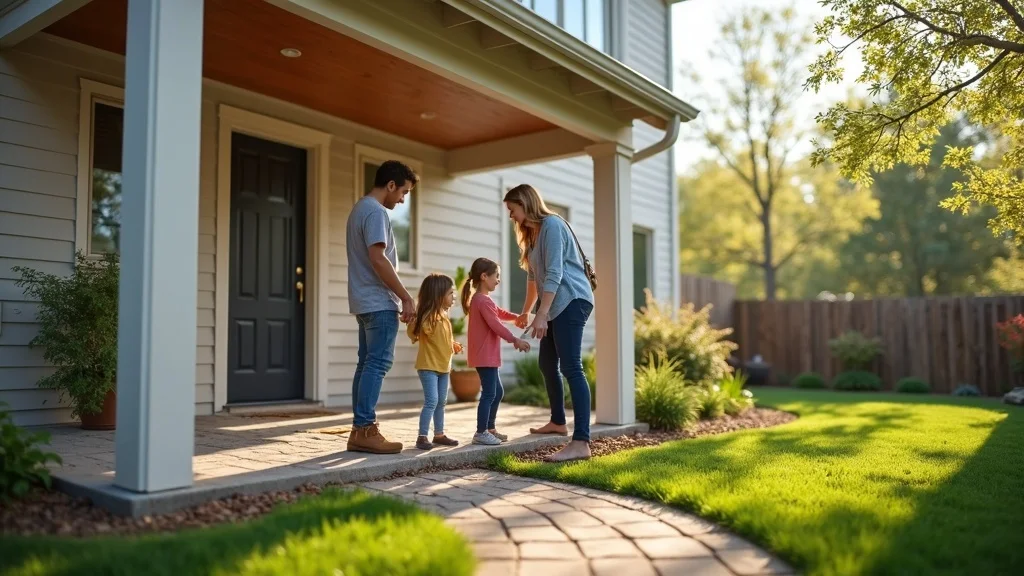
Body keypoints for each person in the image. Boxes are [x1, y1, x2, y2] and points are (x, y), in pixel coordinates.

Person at [504, 184, 595, 463]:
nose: (511, 216)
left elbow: (555, 272)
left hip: (572, 300)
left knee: (571, 367)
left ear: (526, 204)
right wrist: (527, 312)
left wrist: (542, 315)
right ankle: (558, 421)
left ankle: (581, 442)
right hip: (554, 304)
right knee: (546, 364)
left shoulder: (553, 225)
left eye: (513, 210)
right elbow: (534, 278)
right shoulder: (532, 236)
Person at [345, 160, 419, 454]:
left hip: (363, 302)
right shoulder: (375, 212)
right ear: (391, 185)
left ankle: (359, 430)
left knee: (366, 364)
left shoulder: (359, 209)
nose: (402, 200)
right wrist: (406, 296)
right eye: (403, 192)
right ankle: (365, 428)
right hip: (378, 302)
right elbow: (378, 259)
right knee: (376, 363)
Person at [461, 257, 531, 446]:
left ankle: (490, 428)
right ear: (484, 276)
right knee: (489, 393)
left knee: (497, 392)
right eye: (496, 276)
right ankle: (481, 431)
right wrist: (515, 340)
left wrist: (516, 318)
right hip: (485, 356)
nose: (498, 280)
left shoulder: (484, 300)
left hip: (488, 356)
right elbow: (495, 325)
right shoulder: (482, 301)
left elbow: (499, 313)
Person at [407, 273, 463, 451]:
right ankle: (422, 436)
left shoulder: (444, 315)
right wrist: (417, 319)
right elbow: (415, 332)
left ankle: (439, 434)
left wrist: (452, 345)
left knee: (441, 401)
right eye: (450, 293)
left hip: (443, 367)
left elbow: (441, 338)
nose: (453, 296)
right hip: (428, 367)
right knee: (432, 400)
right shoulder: (429, 317)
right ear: (438, 296)